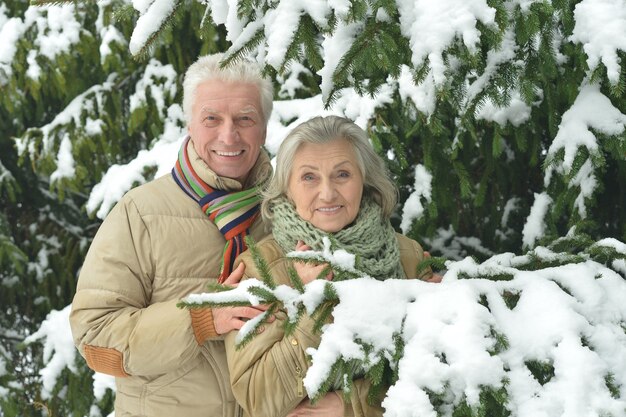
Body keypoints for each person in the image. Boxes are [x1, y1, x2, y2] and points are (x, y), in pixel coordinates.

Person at [69, 53, 275, 417]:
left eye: (245, 118)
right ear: (190, 123)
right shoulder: (140, 214)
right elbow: (96, 343)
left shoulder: (291, 211)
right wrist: (200, 319)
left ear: (264, 126)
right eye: (212, 118)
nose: (229, 135)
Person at [225, 115, 439, 417]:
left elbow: (434, 371)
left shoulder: (406, 253)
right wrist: (312, 311)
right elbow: (259, 396)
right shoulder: (261, 268)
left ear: (364, 181)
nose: (327, 193)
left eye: (342, 175)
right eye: (309, 177)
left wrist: (352, 405)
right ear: (287, 188)